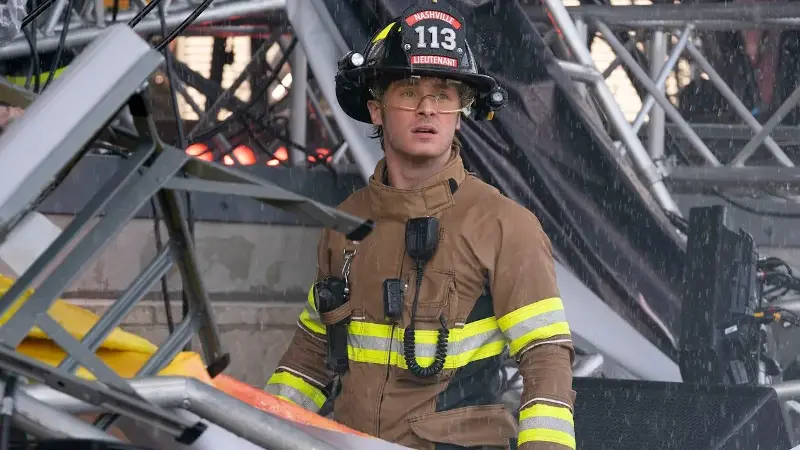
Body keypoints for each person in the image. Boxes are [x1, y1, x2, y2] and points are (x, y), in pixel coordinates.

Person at [265, 1, 575, 449]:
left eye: (444, 95)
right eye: (409, 92)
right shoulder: (346, 224)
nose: (427, 108)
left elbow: (545, 357)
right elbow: (311, 356)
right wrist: (258, 432)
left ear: (461, 112)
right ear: (376, 109)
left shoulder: (505, 226)